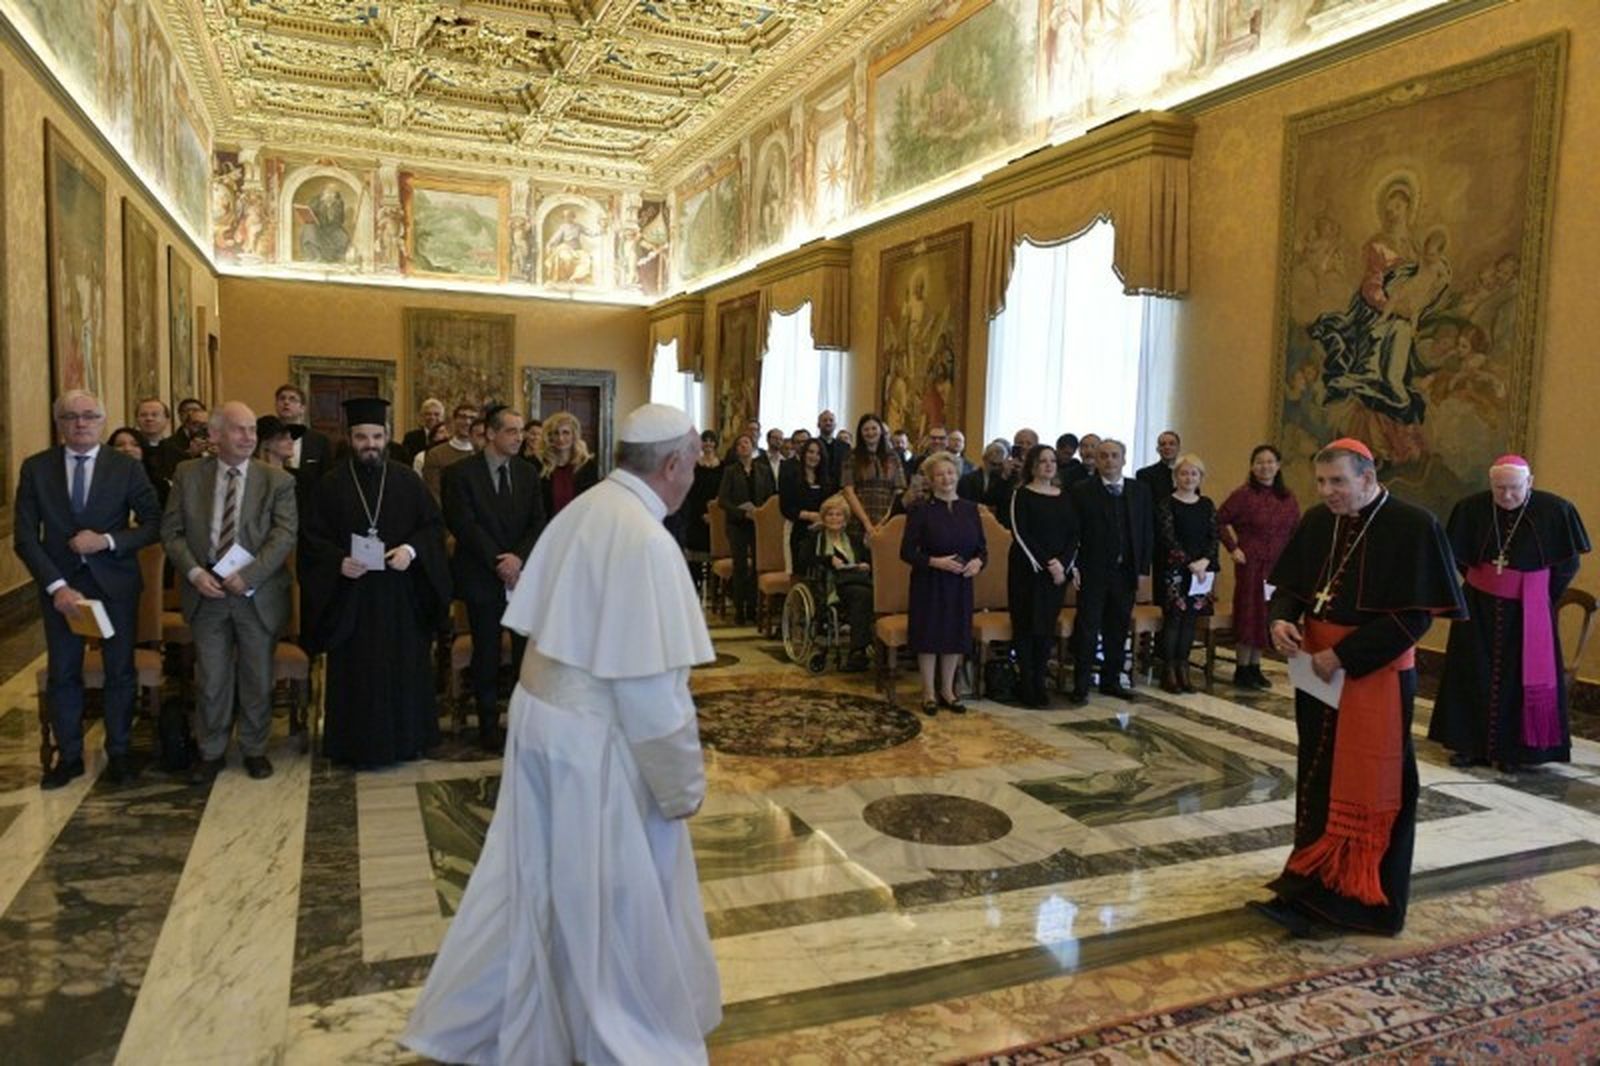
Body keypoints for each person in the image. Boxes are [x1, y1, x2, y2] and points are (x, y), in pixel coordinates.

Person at [403, 404, 720, 1066]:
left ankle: (537, 1018)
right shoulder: (647, 540)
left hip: (543, 718)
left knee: (540, 880)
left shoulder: (588, 508)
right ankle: (608, 1028)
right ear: (670, 465)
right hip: (594, 745)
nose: (696, 473)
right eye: (694, 461)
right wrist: (682, 783)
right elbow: (650, 689)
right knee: (605, 893)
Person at [1257, 438, 1465, 938]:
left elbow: (1416, 617)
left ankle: (1362, 899)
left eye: (1338, 483)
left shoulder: (1413, 526)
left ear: (1368, 479)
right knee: (1316, 776)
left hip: (1374, 675)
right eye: (1322, 482)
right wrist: (1281, 620)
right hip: (1317, 671)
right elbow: (1291, 588)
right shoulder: (1317, 520)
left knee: (1374, 783)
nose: (1328, 492)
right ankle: (1307, 886)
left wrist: (1344, 656)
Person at [15, 390, 162, 787]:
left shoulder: (126, 468)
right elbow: (25, 536)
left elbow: (153, 523)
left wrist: (108, 541)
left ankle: (119, 753)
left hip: (114, 584)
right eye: (70, 417)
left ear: (102, 420)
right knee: (64, 673)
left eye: (89, 416)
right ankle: (70, 756)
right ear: (58, 422)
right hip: (62, 591)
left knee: (120, 670)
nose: (80, 423)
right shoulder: (36, 468)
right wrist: (57, 586)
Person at [299, 397, 451, 768]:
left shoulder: (406, 480)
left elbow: (433, 527)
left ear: (387, 437)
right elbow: (312, 539)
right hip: (353, 598)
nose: (370, 444)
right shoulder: (331, 484)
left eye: (377, 436)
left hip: (401, 595)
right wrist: (338, 562)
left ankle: (409, 741)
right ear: (349, 438)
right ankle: (354, 745)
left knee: (404, 668)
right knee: (357, 673)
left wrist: (411, 551)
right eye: (362, 437)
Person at [161, 402, 298, 783]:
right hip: (207, 594)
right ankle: (212, 750)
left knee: (257, 676)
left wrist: (250, 575)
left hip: (257, 596)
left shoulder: (277, 481)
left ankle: (255, 749)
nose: (249, 437)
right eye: (239, 430)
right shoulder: (188, 475)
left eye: (252, 430)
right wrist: (192, 572)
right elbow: (171, 532)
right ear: (216, 435)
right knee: (212, 677)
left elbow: (284, 534)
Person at [1430, 455, 1590, 771]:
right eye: (1499, 488)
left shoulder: (1555, 510)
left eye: (1514, 488)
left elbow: (1567, 564)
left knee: (1520, 679)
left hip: (1528, 611)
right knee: (1472, 672)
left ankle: (1516, 751)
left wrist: (1536, 595)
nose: (1506, 496)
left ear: (1529, 482)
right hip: (1478, 607)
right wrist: (1486, 583)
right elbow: (1459, 558)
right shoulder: (1471, 508)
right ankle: (1468, 745)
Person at [442, 406, 546, 751]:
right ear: (490, 433)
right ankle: (487, 727)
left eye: (520, 430)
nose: (520, 437)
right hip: (481, 575)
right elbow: (463, 524)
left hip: (521, 577)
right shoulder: (460, 474)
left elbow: (537, 523)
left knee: (522, 655)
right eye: (512, 431)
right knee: (485, 653)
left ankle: (521, 723)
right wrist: (498, 561)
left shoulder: (528, 472)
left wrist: (518, 558)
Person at [1068, 439, 1153, 703]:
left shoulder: (1139, 491)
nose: (1109, 461)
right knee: (1088, 628)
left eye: (1114, 456)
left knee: (1117, 628)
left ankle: (1111, 680)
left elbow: (1146, 531)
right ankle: (1080, 684)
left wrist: (1142, 569)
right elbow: (1073, 532)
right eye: (1103, 456)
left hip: (1125, 572)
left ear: (1124, 459)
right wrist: (1075, 566)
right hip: (1092, 571)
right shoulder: (1081, 490)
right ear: (1096, 459)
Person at [902, 452, 985, 716]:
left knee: (954, 637)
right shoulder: (920, 510)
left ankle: (948, 691)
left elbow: (982, 549)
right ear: (931, 479)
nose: (945, 478)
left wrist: (978, 563)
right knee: (929, 636)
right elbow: (906, 552)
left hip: (960, 583)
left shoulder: (971, 509)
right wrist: (935, 562)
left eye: (949, 473)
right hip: (930, 581)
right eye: (939, 474)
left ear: (957, 474)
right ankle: (928, 692)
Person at [1217, 445, 1302, 689]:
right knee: (1248, 615)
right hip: (1251, 565)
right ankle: (1242, 668)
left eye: (1270, 462)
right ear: (1252, 467)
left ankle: (1255, 667)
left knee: (1266, 615)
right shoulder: (1242, 495)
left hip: (1277, 569)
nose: (1265, 467)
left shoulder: (1288, 498)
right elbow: (1218, 520)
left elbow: (1296, 532)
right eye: (1259, 462)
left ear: (1278, 465)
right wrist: (1233, 548)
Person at [1008, 445, 1078, 708]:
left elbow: (1074, 534)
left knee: (1045, 629)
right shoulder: (1021, 494)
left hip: (1056, 575)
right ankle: (1026, 683)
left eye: (1052, 461)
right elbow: (1020, 533)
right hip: (1028, 571)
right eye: (1042, 461)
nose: (1048, 465)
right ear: (1032, 466)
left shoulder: (1065, 496)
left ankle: (1040, 681)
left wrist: (1062, 565)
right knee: (1026, 627)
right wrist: (1047, 564)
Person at [1154, 454, 1220, 694]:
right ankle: (1169, 669)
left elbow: (1214, 536)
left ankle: (1183, 667)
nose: (1188, 477)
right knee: (1174, 619)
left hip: (1201, 572)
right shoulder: (1166, 503)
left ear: (1200, 477)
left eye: (1194, 473)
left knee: (1191, 620)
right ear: (1176, 476)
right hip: (1176, 570)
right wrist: (1190, 563)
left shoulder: (1207, 504)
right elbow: (1168, 538)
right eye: (1184, 473)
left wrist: (1204, 561)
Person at [797, 494, 874, 672]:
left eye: (838, 515)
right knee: (864, 595)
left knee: (867, 593)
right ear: (823, 517)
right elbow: (804, 561)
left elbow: (867, 560)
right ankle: (858, 651)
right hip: (829, 585)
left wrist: (864, 564)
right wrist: (828, 559)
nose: (834, 518)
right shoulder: (815, 539)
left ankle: (862, 648)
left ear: (845, 519)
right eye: (830, 514)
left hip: (855, 581)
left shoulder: (853, 540)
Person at [717, 434, 776, 625]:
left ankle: (753, 608)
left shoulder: (764, 470)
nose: (743, 446)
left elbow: (771, 495)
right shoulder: (730, 471)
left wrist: (760, 511)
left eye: (747, 443)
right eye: (739, 444)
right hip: (737, 524)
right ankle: (740, 609)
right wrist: (743, 513)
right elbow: (723, 500)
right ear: (736, 449)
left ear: (753, 446)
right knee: (740, 566)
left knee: (758, 565)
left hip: (758, 524)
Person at [840, 413, 905, 539]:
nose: (870, 433)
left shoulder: (893, 457)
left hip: (887, 519)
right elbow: (848, 491)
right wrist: (866, 523)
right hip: (858, 519)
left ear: (881, 430)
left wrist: (885, 520)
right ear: (860, 433)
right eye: (866, 429)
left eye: (874, 428)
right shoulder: (851, 456)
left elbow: (899, 491)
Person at [780, 437, 832, 569]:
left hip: (822, 531)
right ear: (804, 453)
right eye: (810, 452)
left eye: (818, 453)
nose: (814, 456)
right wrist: (811, 516)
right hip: (797, 530)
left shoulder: (826, 479)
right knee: (797, 572)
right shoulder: (790, 475)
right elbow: (786, 508)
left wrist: (822, 519)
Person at [539, 410, 599, 518]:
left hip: (578, 526)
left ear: (574, 436)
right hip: (548, 528)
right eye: (556, 433)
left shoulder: (586, 466)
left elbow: (592, 502)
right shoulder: (541, 466)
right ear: (550, 436)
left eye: (565, 432)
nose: (560, 438)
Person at [683, 430, 723, 585]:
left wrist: (713, 513)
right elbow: (690, 492)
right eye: (705, 440)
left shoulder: (723, 466)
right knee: (694, 553)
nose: (708, 444)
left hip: (716, 515)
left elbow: (722, 491)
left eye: (711, 440)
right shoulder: (694, 465)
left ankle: (714, 585)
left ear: (715, 443)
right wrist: (701, 513)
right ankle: (695, 584)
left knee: (714, 550)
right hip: (696, 513)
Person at [274, 383, 332, 488]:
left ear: (302, 408)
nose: (286, 402)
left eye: (292, 399)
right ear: (276, 405)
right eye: (282, 398)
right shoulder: (265, 438)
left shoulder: (320, 441)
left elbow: (326, 479)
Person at [420, 403, 478, 499]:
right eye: (462, 417)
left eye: (472, 418)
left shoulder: (482, 453)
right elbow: (433, 493)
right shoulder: (436, 454)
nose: (467, 422)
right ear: (454, 420)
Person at [958, 441, 1016, 517]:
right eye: (994, 464)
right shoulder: (967, 480)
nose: (997, 468)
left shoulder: (1006, 479)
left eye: (1000, 464)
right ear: (984, 459)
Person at [1135, 430, 1182, 500]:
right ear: (1158, 449)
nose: (1167, 447)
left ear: (1178, 448)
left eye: (1172, 444)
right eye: (1163, 444)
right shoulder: (1145, 474)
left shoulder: (1188, 474)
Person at [402, 397, 446, 462]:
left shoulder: (447, 439)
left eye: (436, 414)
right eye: (428, 414)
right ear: (422, 416)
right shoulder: (410, 438)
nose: (432, 417)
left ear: (442, 418)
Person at [816, 409, 851, 486]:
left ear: (835, 425)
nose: (828, 423)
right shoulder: (813, 445)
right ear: (818, 424)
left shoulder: (845, 447)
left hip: (839, 488)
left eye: (831, 420)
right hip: (818, 487)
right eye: (825, 420)